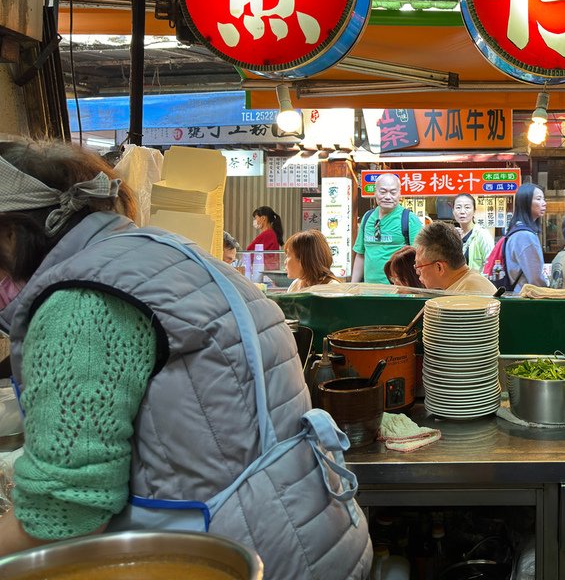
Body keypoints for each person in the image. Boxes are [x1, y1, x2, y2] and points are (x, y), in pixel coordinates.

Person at [0, 139, 371, 579]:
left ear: (11, 234)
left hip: (229, 551)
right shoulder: (166, 253)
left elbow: (63, 516)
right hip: (311, 537)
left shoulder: (81, 305)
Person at [351, 173, 422, 284]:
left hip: (399, 291)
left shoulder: (409, 219)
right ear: (375, 192)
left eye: (393, 192)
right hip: (369, 291)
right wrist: (353, 286)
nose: (388, 197)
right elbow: (361, 255)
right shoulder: (367, 217)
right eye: (383, 192)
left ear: (400, 194)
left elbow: (420, 257)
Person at [413, 222, 497, 295]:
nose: (417, 272)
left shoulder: (462, 296)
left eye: (419, 266)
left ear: (439, 267)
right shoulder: (468, 281)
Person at [502, 184, 548, 293]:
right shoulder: (525, 236)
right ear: (525, 203)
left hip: (517, 296)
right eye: (538, 199)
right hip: (526, 298)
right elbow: (535, 279)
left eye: (543, 199)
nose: (544, 203)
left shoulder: (516, 230)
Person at [452, 193, 494, 272]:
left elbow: (490, 265)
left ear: (474, 211)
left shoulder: (482, 235)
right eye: (458, 207)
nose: (462, 211)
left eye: (467, 207)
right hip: (458, 283)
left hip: (477, 283)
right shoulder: (453, 236)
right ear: (453, 212)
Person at [248, 205, 284, 270]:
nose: (255, 221)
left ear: (263, 218)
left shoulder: (267, 234)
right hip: (269, 270)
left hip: (265, 270)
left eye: (256, 218)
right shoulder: (272, 233)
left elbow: (249, 253)